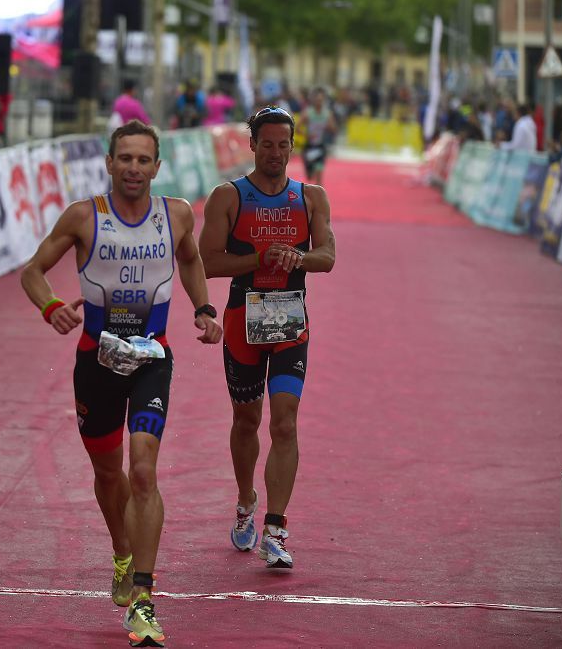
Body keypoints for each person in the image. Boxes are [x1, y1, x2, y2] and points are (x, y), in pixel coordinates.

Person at [20, 120, 222, 646]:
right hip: (96, 363)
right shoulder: (84, 217)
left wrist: (203, 309)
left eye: (143, 160)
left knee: (143, 469)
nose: (134, 168)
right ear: (109, 164)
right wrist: (50, 308)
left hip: (152, 358)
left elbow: (192, 259)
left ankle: (144, 598)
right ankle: (122, 554)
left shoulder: (175, 214)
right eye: (125, 159)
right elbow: (32, 272)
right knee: (109, 475)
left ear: (158, 167)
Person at [198, 106, 336, 569]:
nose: (276, 153)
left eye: (284, 144)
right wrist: (258, 258)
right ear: (252, 145)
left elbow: (328, 257)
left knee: (285, 422)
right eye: (267, 144)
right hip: (243, 320)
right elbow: (207, 263)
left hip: (290, 320)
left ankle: (276, 528)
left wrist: (297, 258)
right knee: (245, 421)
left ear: (293, 146)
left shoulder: (310, 197)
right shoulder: (228, 196)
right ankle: (245, 501)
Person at [299, 88, 337, 183]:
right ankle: (310, 172)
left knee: (319, 173)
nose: (319, 102)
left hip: (320, 146)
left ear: (324, 101)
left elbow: (334, 129)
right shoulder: (307, 113)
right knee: (310, 176)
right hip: (309, 146)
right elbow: (297, 128)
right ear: (313, 100)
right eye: (317, 100)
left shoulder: (327, 114)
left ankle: (319, 196)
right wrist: (307, 135)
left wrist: (330, 127)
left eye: (321, 100)